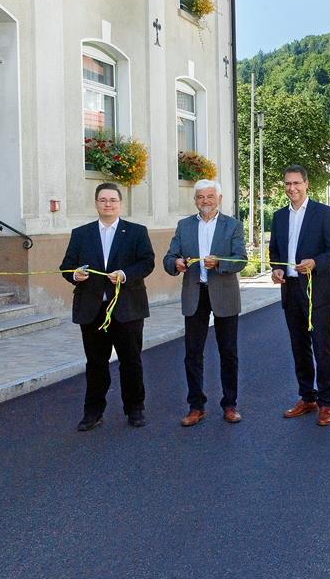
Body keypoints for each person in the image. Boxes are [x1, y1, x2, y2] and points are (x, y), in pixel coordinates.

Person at [60, 182, 155, 431]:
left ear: (120, 204)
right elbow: (67, 266)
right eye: (103, 200)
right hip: (93, 310)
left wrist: (125, 274)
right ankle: (93, 412)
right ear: (96, 204)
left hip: (127, 309)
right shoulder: (81, 234)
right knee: (95, 363)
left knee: (131, 361)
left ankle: (135, 409)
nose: (108, 204)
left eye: (112, 200)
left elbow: (147, 263)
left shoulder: (136, 232)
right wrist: (74, 275)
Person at [163, 179, 247, 427]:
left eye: (210, 196)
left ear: (219, 198)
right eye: (200, 197)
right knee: (193, 353)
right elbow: (170, 257)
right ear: (195, 200)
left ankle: (230, 404)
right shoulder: (184, 226)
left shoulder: (232, 225)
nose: (205, 201)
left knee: (228, 352)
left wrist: (219, 263)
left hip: (224, 294)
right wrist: (175, 264)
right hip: (195, 293)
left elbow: (241, 259)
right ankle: (196, 406)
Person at [269, 165, 330, 427]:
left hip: (317, 291)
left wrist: (315, 262)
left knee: (322, 349)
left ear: (307, 184)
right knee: (299, 348)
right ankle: (307, 397)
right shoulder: (278, 217)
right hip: (290, 291)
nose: (292, 188)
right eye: (288, 184)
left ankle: (325, 404)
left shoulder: (323, 213)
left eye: (297, 183)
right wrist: (276, 269)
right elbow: (274, 253)